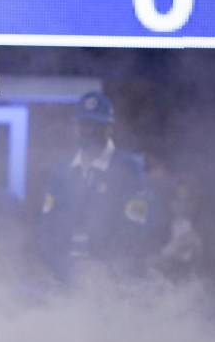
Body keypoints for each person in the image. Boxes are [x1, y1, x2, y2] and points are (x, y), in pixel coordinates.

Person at [37, 91, 154, 284]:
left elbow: (135, 227)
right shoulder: (62, 170)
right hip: (65, 277)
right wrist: (60, 267)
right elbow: (47, 226)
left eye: (96, 125)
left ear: (109, 127)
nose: (89, 131)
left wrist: (104, 268)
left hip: (112, 281)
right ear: (76, 127)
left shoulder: (129, 170)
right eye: (84, 125)